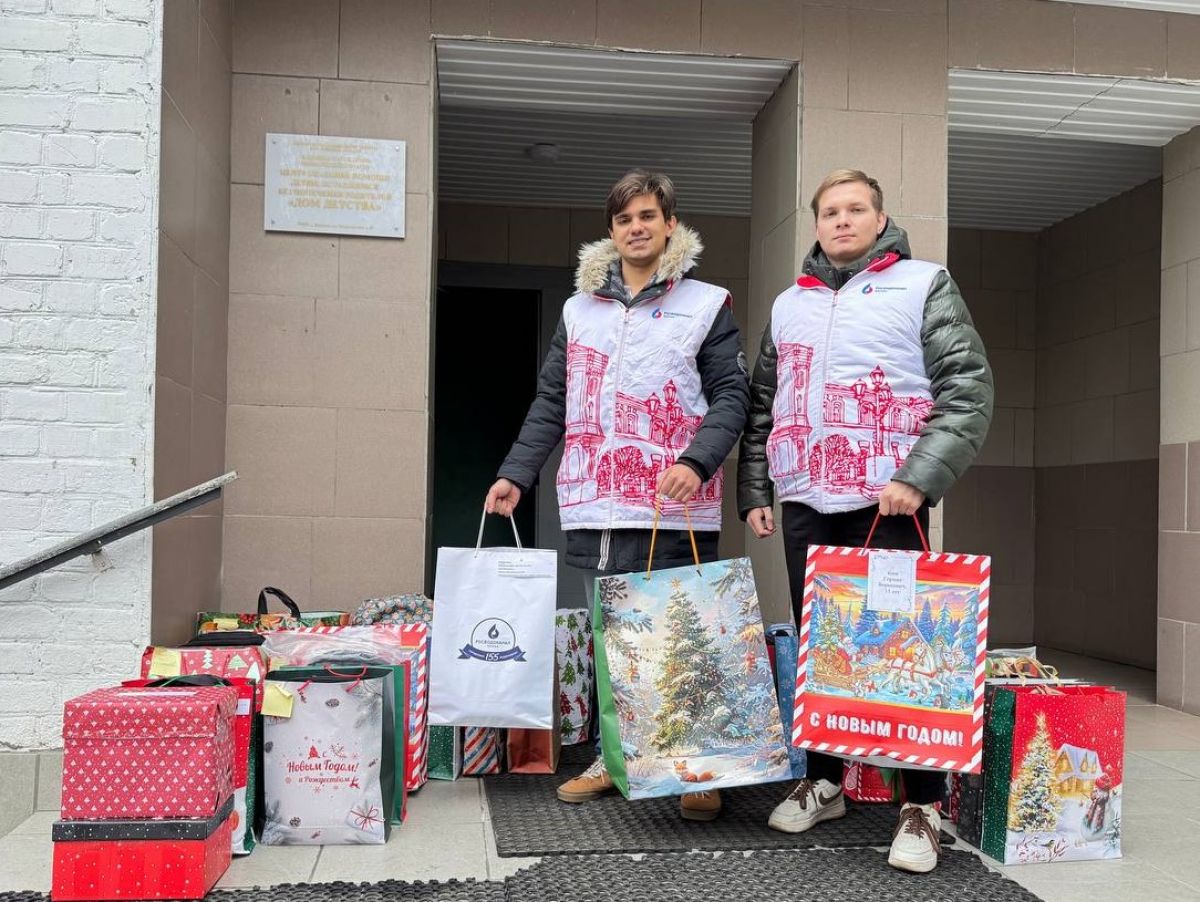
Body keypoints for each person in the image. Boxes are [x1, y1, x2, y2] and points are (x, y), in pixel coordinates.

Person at [737, 169, 993, 873]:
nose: (842, 221)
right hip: (805, 499)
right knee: (822, 646)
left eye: (856, 210)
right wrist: (756, 489)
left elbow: (967, 387)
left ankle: (922, 805)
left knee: (903, 649)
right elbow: (764, 404)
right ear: (817, 224)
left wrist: (918, 477)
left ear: (881, 220)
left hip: (888, 502)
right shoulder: (790, 302)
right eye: (830, 212)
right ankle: (826, 782)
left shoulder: (923, 283)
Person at [485, 170, 750, 822]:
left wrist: (696, 460)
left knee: (682, 635)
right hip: (594, 501)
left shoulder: (706, 303)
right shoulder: (580, 310)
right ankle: (616, 757)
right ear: (611, 229)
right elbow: (553, 400)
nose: (636, 227)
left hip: (673, 504)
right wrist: (517, 473)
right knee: (612, 638)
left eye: (648, 216)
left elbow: (732, 396)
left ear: (669, 224)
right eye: (625, 218)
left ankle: (697, 768)